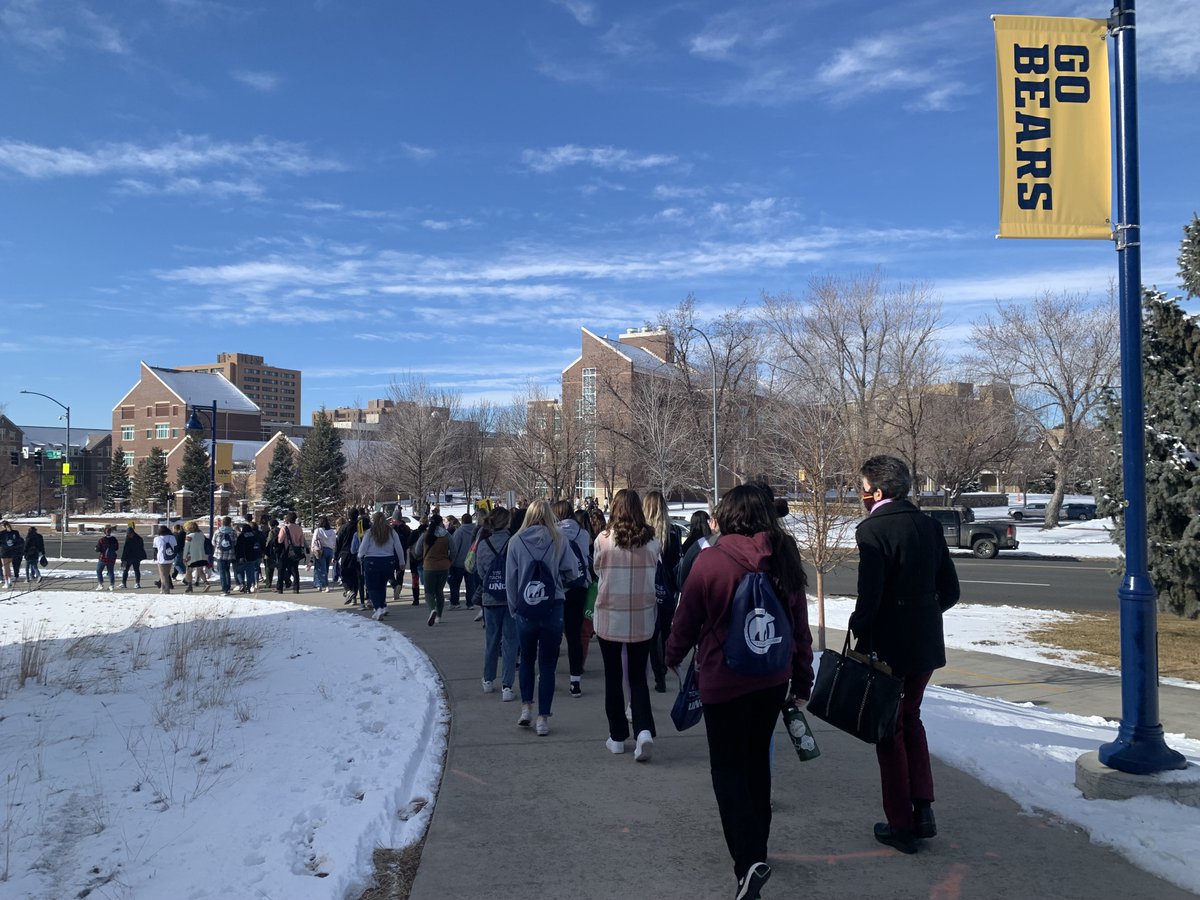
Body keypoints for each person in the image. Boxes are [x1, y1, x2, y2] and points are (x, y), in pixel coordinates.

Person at [666, 484, 814, 900]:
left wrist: (671, 655)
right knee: (756, 767)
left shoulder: (710, 561)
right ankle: (759, 850)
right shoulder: (784, 558)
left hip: (722, 681)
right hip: (772, 680)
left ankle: (747, 864)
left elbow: (686, 620)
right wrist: (802, 682)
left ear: (727, 517)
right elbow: (800, 629)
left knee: (727, 772)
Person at [850, 455, 960, 855]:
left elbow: (870, 598)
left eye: (861, 488)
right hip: (926, 645)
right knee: (910, 719)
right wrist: (922, 616)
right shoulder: (929, 526)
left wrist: (860, 633)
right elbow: (950, 590)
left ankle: (901, 824)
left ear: (876, 492)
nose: (859, 495)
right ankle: (923, 807)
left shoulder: (872, 531)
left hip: (889, 647)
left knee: (888, 730)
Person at [505, 498, 582, 736]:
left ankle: (526, 707)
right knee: (547, 665)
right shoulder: (559, 539)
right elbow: (572, 569)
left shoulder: (516, 541)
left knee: (527, 659)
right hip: (553, 605)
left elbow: (511, 580)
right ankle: (543, 718)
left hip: (525, 608)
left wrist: (514, 608)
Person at [592, 489, 660, 760]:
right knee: (638, 678)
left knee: (613, 677)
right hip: (642, 616)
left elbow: (597, 570)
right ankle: (643, 730)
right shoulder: (652, 539)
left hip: (610, 615)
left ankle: (617, 736)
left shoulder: (603, 540)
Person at [476, 507, 517, 702]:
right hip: (510, 598)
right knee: (510, 642)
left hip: (490, 598)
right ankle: (507, 685)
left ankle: (488, 678)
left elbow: (480, 571)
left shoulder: (484, 544)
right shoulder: (514, 543)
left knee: (491, 640)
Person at [642, 490, 681, 693]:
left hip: (647, 585)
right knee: (666, 629)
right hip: (668, 587)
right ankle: (665, 663)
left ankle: (658, 673)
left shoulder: (643, 534)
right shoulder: (673, 532)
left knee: (650, 631)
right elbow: (676, 563)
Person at [357, 511, 406, 620]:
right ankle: (383, 606)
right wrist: (402, 562)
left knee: (372, 586)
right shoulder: (391, 531)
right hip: (388, 560)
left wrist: (360, 555)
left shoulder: (369, 532)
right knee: (382, 585)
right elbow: (398, 547)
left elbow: (363, 549)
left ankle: (378, 607)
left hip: (372, 560)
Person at [418, 514, 451, 626]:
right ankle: (439, 617)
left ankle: (432, 609)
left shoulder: (425, 535)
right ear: (441, 522)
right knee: (439, 591)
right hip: (443, 566)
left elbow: (417, 550)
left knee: (429, 591)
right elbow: (454, 549)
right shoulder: (446, 535)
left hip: (429, 566)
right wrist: (449, 561)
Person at [447, 512, 477, 610]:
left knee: (455, 584)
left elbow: (455, 548)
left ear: (462, 521)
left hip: (459, 562)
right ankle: (470, 603)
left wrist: (452, 560)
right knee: (470, 584)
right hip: (471, 562)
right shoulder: (476, 531)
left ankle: (455, 602)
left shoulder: (459, 532)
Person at [277, 512, 306, 594]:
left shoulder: (284, 528)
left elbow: (280, 540)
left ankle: (280, 588)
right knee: (295, 570)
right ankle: (296, 588)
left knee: (281, 570)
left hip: (286, 551)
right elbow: (302, 541)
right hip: (296, 551)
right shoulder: (299, 528)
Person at [212, 516, 238, 595]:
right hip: (230, 554)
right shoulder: (233, 532)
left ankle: (224, 589)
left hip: (220, 554)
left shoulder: (218, 531)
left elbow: (213, 542)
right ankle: (228, 586)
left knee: (222, 571)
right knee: (227, 571)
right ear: (230, 523)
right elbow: (235, 542)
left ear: (222, 523)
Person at [311, 515, 337, 592]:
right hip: (329, 550)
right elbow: (334, 542)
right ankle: (320, 584)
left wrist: (313, 550)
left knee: (320, 568)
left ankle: (323, 585)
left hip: (320, 550)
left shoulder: (318, 530)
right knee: (325, 568)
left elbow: (314, 541)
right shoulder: (332, 531)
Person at [235, 522, 262, 592]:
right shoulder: (254, 536)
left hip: (242, 557)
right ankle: (249, 587)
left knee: (239, 572)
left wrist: (238, 556)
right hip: (252, 557)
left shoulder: (241, 536)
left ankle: (242, 583)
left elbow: (238, 547)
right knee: (250, 573)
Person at [182, 521, 208, 593]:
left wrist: (184, 558)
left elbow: (186, 548)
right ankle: (206, 583)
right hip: (201, 555)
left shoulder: (189, 536)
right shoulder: (201, 534)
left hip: (192, 557)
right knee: (200, 571)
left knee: (189, 571)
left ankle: (190, 586)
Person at [120, 522, 146, 589]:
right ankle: (124, 583)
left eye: (130, 534)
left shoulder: (135, 539)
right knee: (125, 570)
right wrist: (123, 558)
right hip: (130, 557)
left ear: (132, 533)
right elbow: (125, 549)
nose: (129, 535)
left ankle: (137, 583)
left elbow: (126, 549)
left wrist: (123, 558)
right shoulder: (136, 538)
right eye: (128, 534)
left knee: (136, 570)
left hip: (134, 557)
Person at [153, 525, 177, 594]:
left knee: (163, 575)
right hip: (170, 558)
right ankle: (163, 589)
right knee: (166, 574)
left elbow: (155, 549)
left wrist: (155, 557)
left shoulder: (157, 539)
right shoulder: (172, 537)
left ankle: (166, 590)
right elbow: (175, 548)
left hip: (161, 559)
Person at [1, 521, 25, 589]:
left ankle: (6, 582)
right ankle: (9, 580)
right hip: (13, 552)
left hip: (4, 552)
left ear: (3, 526)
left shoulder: (2, 533)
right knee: (9, 567)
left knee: (5, 568)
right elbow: (19, 541)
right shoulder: (15, 532)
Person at [95, 525, 119, 592]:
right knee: (110, 572)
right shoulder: (114, 539)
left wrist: (97, 548)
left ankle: (101, 584)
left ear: (105, 532)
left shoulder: (102, 540)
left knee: (99, 571)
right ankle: (111, 585)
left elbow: (98, 549)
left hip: (103, 558)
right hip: (111, 558)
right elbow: (117, 548)